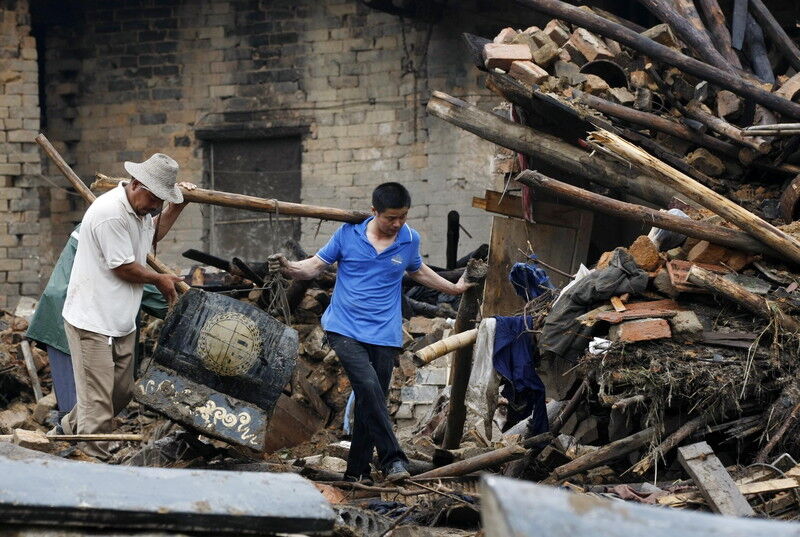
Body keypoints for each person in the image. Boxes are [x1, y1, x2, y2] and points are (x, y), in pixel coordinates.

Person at [270, 182, 473, 482]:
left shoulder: (408, 239)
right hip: (344, 327)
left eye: (403, 216)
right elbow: (312, 268)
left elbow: (417, 270)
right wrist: (287, 267)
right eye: (391, 217)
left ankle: (356, 474)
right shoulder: (347, 235)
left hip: (384, 332)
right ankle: (393, 460)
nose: (398, 223)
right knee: (367, 387)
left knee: (370, 400)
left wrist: (454, 288)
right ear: (374, 211)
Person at [57, 153, 194, 460]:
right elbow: (123, 267)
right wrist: (160, 279)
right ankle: (94, 459)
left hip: (120, 319)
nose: (156, 206)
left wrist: (178, 206)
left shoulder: (141, 213)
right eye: (155, 198)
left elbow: (152, 234)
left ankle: (68, 427)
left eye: (162, 200)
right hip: (91, 319)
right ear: (135, 184)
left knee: (120, 393)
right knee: (98, 400)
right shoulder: (111, 213)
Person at [26, 224, 168, 422]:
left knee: (94, 397)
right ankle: (74, 440)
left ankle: (71, 431)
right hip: (73, 312)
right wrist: (174, 301)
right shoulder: (110, 228)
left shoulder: (118, 226)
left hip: (78, 309)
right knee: (81, 397)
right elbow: (128, 277)